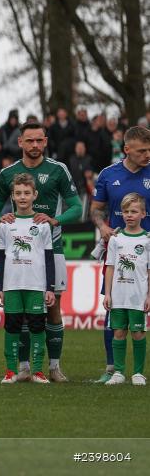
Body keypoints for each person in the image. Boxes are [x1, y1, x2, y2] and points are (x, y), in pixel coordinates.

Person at [0, 122, 82, 382]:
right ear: (20, 142)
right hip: (19, 251)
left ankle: (53, 366)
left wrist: (55, 220)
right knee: (22, 313)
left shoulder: (58, 170)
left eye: (39, 140)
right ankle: (24, 367)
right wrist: (1, 218)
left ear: (46, 141)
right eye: (29, 141)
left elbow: (77, 207)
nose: (35, 146)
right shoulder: (8, 173)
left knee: (52, 307)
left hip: (53, 249)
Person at [90, 126, 150, 382]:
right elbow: (96, 209)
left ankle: (137, 370)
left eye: (149, 150)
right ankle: (112, 368)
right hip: (120, 251)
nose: (148, 155)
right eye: (142, 151)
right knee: (113, 307)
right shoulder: (108, 175)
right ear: (127, 150)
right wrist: (103, 227)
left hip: (147, 253)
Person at [0, 173, 56, 384]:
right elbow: (1, 258)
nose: (22, 197)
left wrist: (49, 288)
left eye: (27, 193)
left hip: (36, 284)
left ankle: (38, 371)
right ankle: (11, 371)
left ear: (35, 195)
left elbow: (49, 258)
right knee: (11, 327)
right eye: (18, 193)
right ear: (12, 195)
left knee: (38, 327)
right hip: (11, 285)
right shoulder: (5, 224)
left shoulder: (42, 224)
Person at [102, 193, 150, 386]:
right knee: (119, 332)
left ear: (143, 214)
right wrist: (107, 293)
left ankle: (138, 373)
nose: (129, 215)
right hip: (119, 296)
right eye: (126, 211)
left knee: (138, 333)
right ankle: (119, 372)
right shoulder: (116, 239)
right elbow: (110, 267)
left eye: (134, 211)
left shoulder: (147, 240)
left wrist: (148, 296)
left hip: (138, 296)